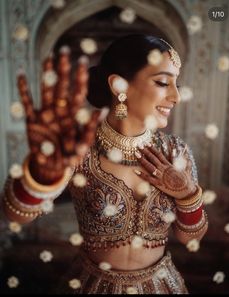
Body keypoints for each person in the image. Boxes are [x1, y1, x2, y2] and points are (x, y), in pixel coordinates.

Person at [2, 34, 208, 294]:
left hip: (162, 286)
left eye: (176, 84)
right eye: (163, 82)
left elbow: (192, 238)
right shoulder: (80, 149)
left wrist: (188, 195)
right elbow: (13, 215)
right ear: (119, 86)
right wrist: (41, 177)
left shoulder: (176, 152)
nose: (176, 96)